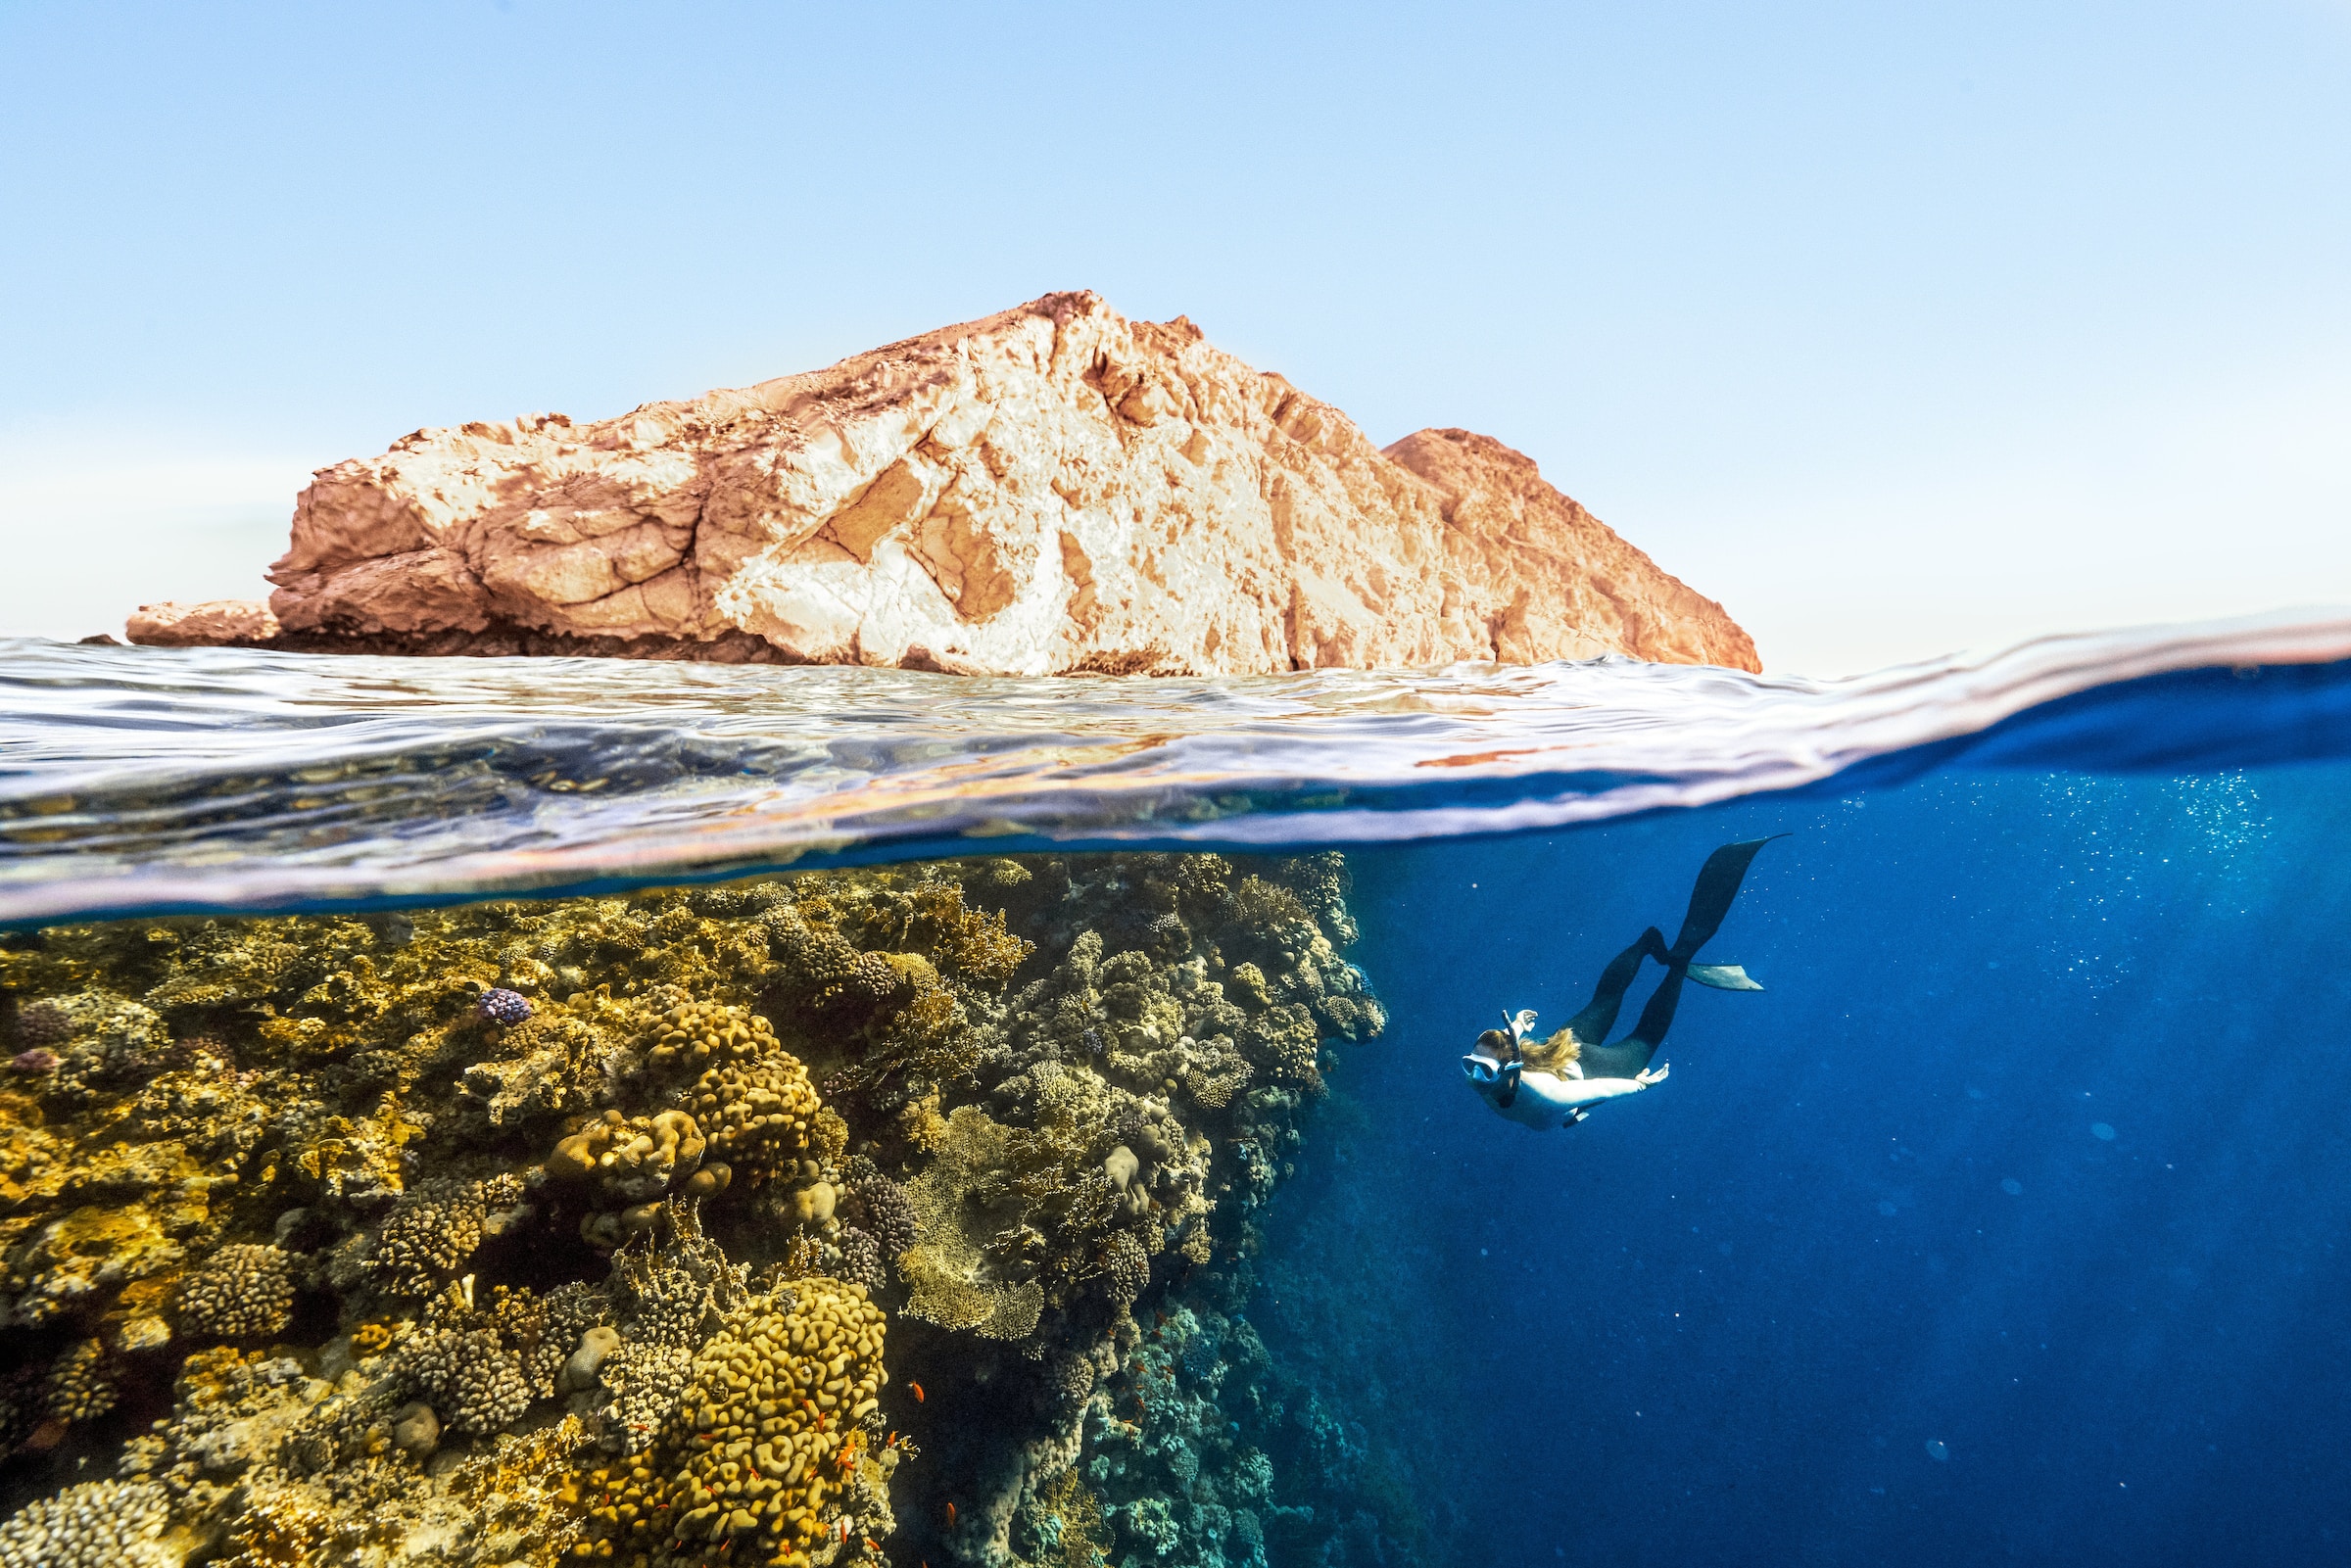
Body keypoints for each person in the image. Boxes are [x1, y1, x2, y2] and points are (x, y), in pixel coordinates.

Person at [1461, 837, 1779, 1130]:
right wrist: (1516, 1026)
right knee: (1603, 1001)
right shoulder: (1494, 1067)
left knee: (1646, 1036)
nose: (1475, 1077)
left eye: (1484, 1071)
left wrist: (1639, 1085)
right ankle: (1646, 944)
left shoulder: (1548, 1096)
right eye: (1470, 1065)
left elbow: (1600, 1088)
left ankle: (1679, 962)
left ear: (1508, 1068)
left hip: (1589, 1069)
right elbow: (1503, 1046)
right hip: (1556, 1051)